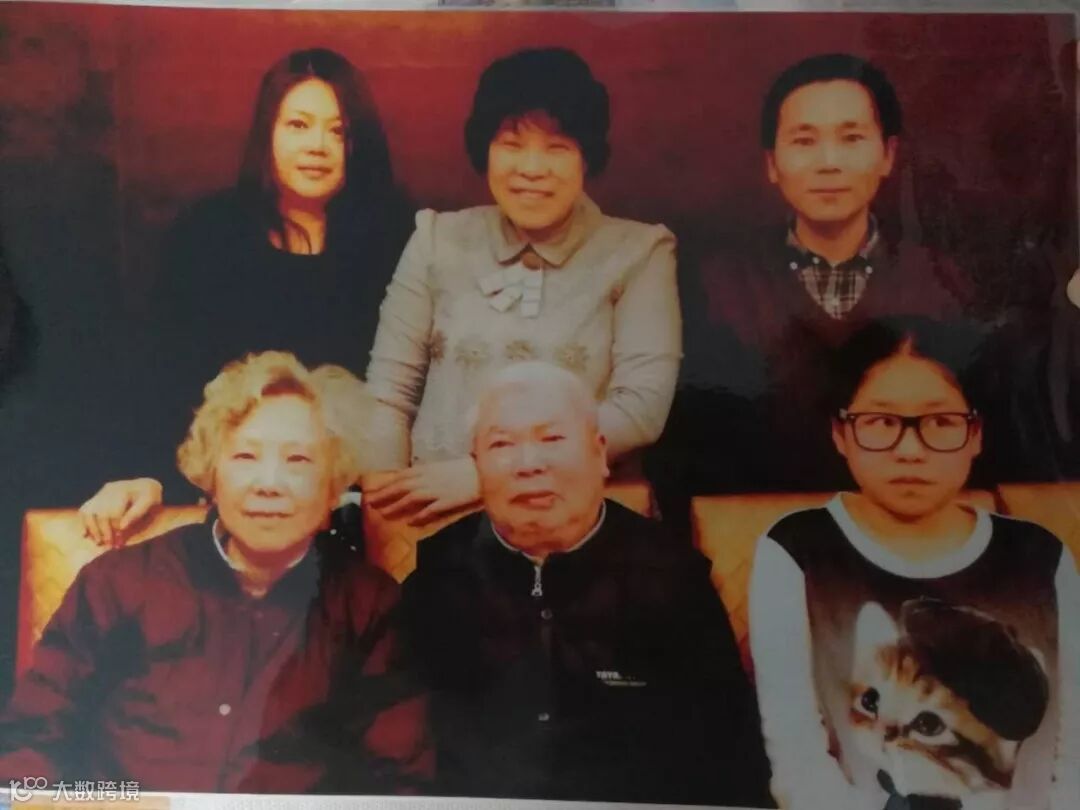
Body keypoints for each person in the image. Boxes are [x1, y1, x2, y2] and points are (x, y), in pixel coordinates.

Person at [0, 352, 430, 794]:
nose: (269, 483)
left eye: (298, 459)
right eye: (245, 455)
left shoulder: (369, 606)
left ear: (333, 485)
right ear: (212, 474)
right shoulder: (119, 582)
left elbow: (401, 782)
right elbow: (30, 744)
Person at [78, 47, 411, 544]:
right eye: (298, 125)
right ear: (267, 133)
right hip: (236, 492)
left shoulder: (399, 238)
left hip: (358, 498)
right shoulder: (207, 235)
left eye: (338, 131)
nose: (318, 146)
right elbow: (160, 374)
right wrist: (148, 473)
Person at [400, 361, 771, 805]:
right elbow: (402, 751)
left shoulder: (670, 575)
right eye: (502, 444)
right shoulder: (438, 576)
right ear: (477, 465)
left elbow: (729, 755)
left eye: (552, 439)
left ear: (599, 455)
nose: (529, 464)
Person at [748, 317, 1079, 810]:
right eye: (881, 422)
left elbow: (1074, 756)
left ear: (975, 433)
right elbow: (798, 764)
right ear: (841, 433)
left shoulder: (1040, 556)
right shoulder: (797, 550)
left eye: (940, 422)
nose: (910, 450)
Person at [363, 47, 681, 527]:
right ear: (485, 149)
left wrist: (486, 473)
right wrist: (388, 509)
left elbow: (640, 411)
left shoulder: (640, 252)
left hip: (578, 525)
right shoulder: (435, 239)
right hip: (434, 519)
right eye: (511, 144)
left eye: (557, 147)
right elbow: (388, 395)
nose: (531, 168)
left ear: (587, 157)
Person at [656, 53, 975, 514]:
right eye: (804, 141)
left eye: (851, 138)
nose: (829, 163)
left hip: (910, 526)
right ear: (772, 163)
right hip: (755, 525)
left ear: (888, 155)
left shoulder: (942, 281)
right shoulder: (717, 282)